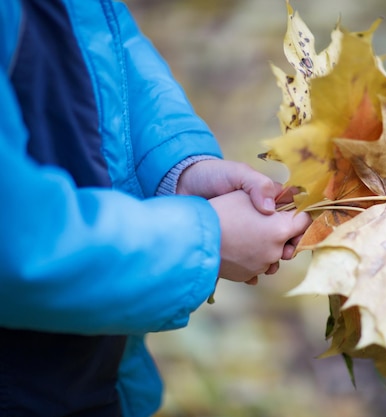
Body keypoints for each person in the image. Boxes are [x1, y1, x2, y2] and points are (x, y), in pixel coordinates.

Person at [0, 0, 311, 416]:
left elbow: (107, 45)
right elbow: (18, 246)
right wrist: (206, 239)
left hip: (90, 374)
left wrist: (176, 167)